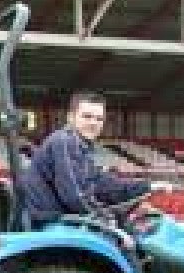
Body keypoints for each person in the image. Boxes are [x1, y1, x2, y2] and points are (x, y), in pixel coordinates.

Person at [20, 91, 171, 227]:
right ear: (71, 117)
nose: (93, 123)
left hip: (57, 217)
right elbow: (75, 196)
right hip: (50, 220)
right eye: (87, 117)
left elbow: (105, 185)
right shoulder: (65, 141)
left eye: (99, 119)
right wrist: (105, 219)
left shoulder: (80, 147)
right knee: (127, 245)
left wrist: (147, 187)